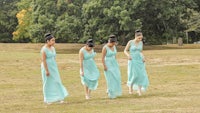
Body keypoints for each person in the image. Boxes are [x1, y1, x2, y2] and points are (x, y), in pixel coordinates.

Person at [41, 33, 68, 104]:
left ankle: (60, 97)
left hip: (53, 67)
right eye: (52, 40)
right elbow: (43, 60)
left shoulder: (53, 48)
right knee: (47, 83)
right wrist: (46, 70)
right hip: (47, 67)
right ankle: (47, 99)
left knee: (57, 81)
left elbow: (54, 58)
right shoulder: (44, 49)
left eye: (54, 40)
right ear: (48, 41)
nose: (54, 42)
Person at [124, 30, 149, 96]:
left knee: (141, 74)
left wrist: (143, 57)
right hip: (132, 60)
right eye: (139, 38)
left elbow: (141, 51)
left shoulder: (141, 43)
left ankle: (139, 90)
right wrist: (128, 55)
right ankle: (130, 86)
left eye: (141, 38)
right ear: (135, 36)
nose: (140, 39)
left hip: (139, 60)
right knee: (134, 75)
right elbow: (125, 50)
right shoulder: (130, 42)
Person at [102, 35, 122, 99]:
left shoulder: (114, 47)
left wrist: (116, 63)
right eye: (112, 43)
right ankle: (110, 92)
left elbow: (115, 55)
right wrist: (104, 66)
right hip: (108, 63)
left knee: (117, 77)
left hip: (114, 63)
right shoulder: (105, 48)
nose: (113, 44)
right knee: (110, 79)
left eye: (114, 43)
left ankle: (113, 90)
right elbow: (102, 58)